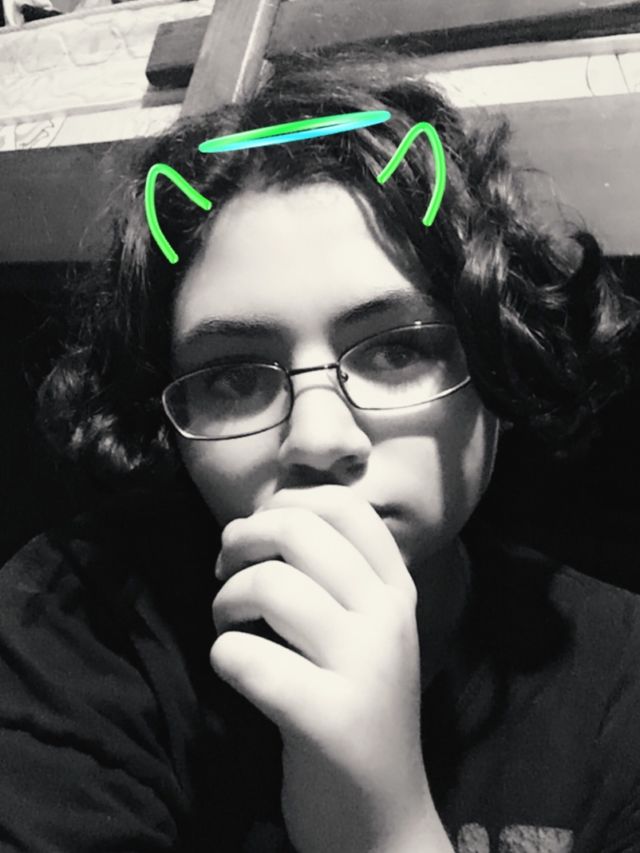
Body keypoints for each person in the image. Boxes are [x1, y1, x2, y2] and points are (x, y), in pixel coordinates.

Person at [1, 47, 639, 853]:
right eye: (234, 378)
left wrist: (381, 827)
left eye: (398, 350)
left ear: (503, 364)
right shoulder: (62, 628)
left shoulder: (620, 680)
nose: (317, 439)